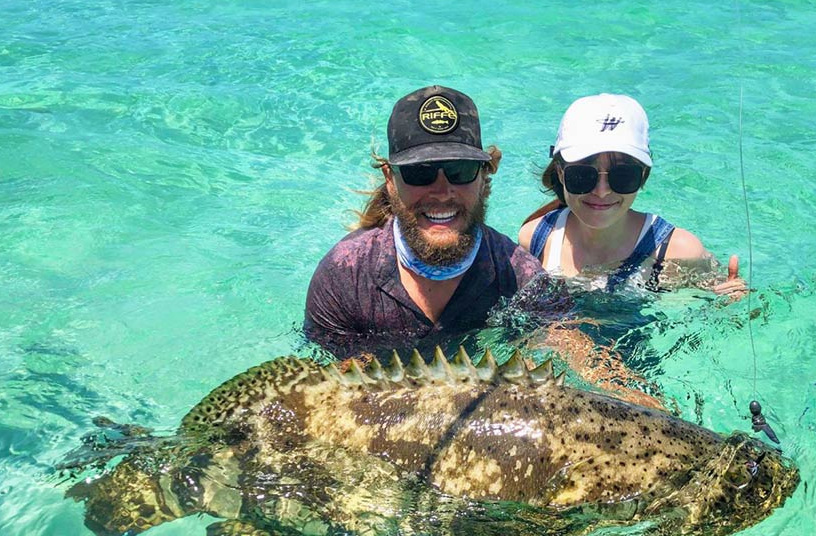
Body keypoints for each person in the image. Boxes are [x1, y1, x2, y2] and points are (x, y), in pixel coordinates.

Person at [304, 85, 560, 359]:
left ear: (484, 176)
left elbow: (570, 358)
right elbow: (324, 384)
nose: (442, 192)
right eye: (419, 172)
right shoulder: (343, 277)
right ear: (390, 180)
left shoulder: (523, 280)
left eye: (459, 170)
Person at [518, 94, 746, 296]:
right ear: (560, 173)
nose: (602, 190)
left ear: (643, 176)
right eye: (583, 175)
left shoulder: (678, 252)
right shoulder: (535, 238)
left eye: (623, 176)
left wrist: (734, 307)